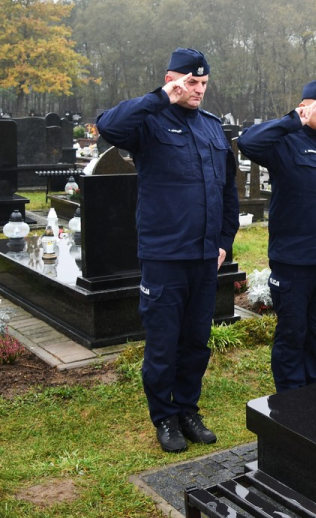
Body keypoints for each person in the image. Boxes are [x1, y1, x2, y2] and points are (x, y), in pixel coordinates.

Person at [97, 48, 239, 453]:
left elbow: (227, 192)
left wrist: (224, 244)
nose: (198, 90)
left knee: (196, 340)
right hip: (164, 255)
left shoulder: (213, 128)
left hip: (204, 257)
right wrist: (162, 96)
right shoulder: (149, 121)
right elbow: (108, 126)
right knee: (163, 342)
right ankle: (164, 416)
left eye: (203, 84)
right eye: (191, 83)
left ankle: (188, 409)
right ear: (173, 79)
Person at [237, 80, 316, 392]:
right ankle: (291, 400)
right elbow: (248, 142)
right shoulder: (285, 143)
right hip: (294, 260)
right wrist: (294, 120)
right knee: (292, 333)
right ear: (306, 108)